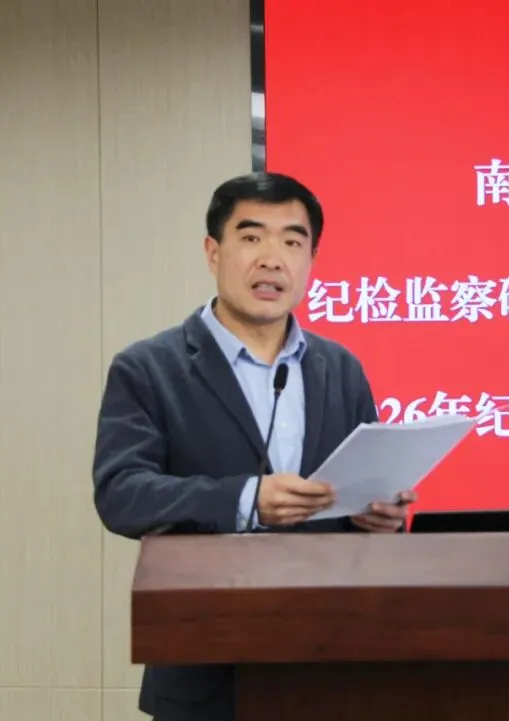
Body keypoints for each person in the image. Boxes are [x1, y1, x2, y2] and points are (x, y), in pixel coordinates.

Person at [92, 171, 416, 721]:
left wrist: (380, 515)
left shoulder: (340, 368)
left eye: (292, 242)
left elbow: (363, 492)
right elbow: (122, 494)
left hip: (331, 664)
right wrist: (246, 499)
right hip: (208, 670)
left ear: (311, 259)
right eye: (251, 237)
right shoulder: (149, 368)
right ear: (213, 252)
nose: (272, 259)